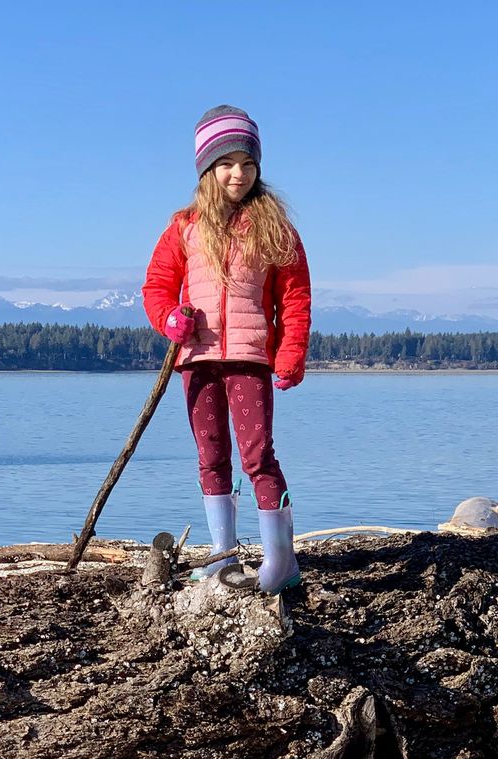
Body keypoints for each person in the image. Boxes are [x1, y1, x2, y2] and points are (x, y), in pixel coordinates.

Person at [142, 104, 311, 595]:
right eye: (226, 163)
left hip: (249, 359)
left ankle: (281, 562)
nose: (238, 174)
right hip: (197, 361)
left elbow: (294, 297)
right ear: (206, 169)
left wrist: (291, 353)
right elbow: (157, 286)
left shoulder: (275, 228)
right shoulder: (184, 227)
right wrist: (169, 319)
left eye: (248, 163)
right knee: (211, 456)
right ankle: (224, 556)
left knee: (258, 457)